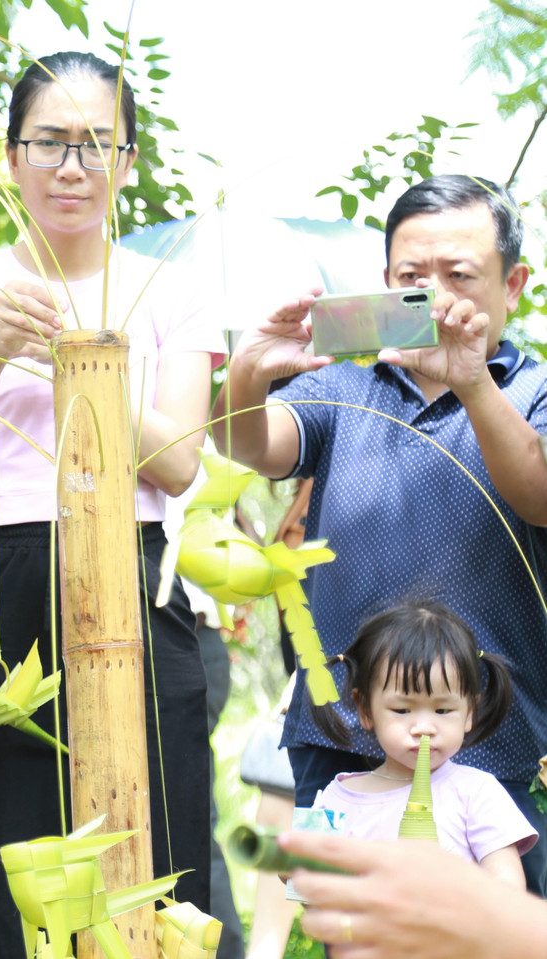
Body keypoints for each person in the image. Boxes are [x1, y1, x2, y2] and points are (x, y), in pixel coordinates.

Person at [0, 50, 223, 956]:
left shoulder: (168, 289)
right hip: (11, 570)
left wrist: (90, 356)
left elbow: (174, 459)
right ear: (11, 156)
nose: (73, 167)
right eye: (50, 143)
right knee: (19, 844)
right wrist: (8, 333)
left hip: (138, 565)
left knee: (161, 844)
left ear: (127, 162)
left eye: (97, 145)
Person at [212, 173, 547, 892]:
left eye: (459, 275)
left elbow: (541, 495)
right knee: (349, 928)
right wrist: (245, 373)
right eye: (412, 276)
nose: (435, 294)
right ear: (384, 281)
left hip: (491, 735)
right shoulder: (345, 384)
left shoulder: (533, 388)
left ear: (513, 284)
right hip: (343, 732)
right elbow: (252, 444)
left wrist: (472, 383)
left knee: (496, 930)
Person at [309, 601, 536, 885]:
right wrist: (299, 870)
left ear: (469, 712)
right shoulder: (336, 800)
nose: (424, 728)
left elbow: (508, 889)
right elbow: (313, 897)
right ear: (366, 709)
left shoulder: (477, 793)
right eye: (402, 710)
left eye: (443, 711)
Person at [282, 832, 547, 958]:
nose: (423, 727)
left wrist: (491, 924)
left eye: (442, 716)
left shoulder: (479, 788)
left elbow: (508, 882)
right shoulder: (336, 790)